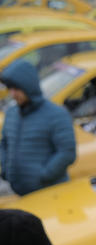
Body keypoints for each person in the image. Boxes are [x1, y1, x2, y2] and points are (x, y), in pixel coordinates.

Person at [0, 60, 76, 197]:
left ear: (28, 86)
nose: (13, 94)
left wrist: (43, 176)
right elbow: (4, 144)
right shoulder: (12, 113)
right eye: (10, 89)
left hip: (49, 193)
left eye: (17, 89)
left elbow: (67, 152)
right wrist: (6, 169)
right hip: (20, 194)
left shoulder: (56, 114)